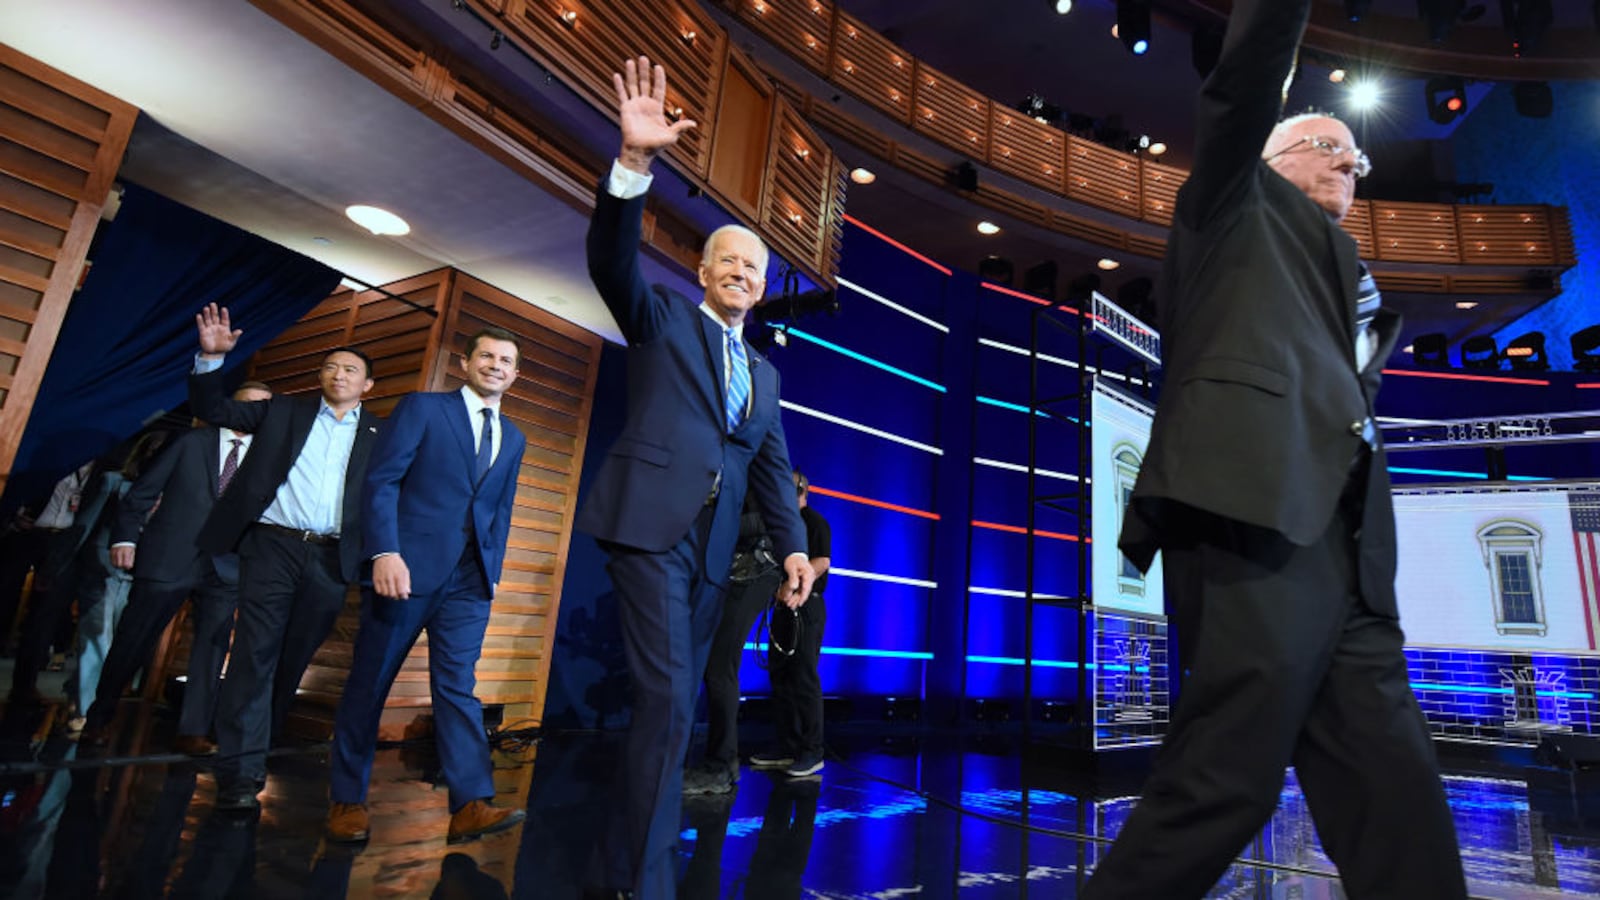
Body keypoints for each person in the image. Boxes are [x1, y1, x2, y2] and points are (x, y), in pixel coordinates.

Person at [1088, 1, 1466, 897]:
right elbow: (1245, 81)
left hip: (1349, 557)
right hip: (1252, 516)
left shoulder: (1358, 284)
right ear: (1274, 156)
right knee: (1227, 778)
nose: (1353, 164)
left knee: (1394, 791)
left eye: (1359, 155)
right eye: (1331, 145)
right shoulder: (1231, 202)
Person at [582, 55, 815, 899]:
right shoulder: (664, 320)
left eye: (755, 269)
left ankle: (618, 871)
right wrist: (634, 164)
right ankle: (645, 882)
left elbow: (771, 465)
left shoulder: (767, 374)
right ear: (704, 270)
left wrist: (792, 549)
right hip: (647, 528)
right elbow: (611, 262)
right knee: (673, 698)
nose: (742, 276)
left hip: (714, 553)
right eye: (729, 262)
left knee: (668, 709)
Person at [325, 327, 528, 845]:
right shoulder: (423, 408)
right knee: (370, 682)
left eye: (506, 360)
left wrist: (494, 572)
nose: (496, 366)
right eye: (487, 356)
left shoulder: (516, 436)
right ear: (466, 362)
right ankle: (346, 801)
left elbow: (498, 511)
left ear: (515, 373)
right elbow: (382, 480)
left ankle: (470, 804)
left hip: (469, 581)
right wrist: (385, 552)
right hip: (406, 570)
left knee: (458, 688)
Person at [188, 303, 382, 810]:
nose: (339, 374)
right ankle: (241, 771)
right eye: (331, 367)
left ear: (368, 386)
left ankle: (260, 745)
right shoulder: (283, 410)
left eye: (351, 370)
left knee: (293, 659)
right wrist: (211, 362)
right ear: (321, 376)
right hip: (273, 545)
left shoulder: (381, 435)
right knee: (254, 653)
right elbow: (217, 412)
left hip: (332, 559)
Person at [79, 383, 273, 755]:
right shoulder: (191, 443)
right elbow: (143, 492)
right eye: (249, 406)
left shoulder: (268, 459)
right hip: (169, 555)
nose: (255, 415)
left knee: (211, 649)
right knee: (134, 639)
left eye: (264, 409)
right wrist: (125, 539)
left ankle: (193, 730)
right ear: (231, 407)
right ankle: (99, 718)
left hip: (227, 566)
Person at [680, 497, 785, 795]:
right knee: (714, 667)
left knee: (719, 667)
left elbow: (774, 517)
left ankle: (720, 766)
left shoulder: (757, 465)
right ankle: (722, 763)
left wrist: (713, 522)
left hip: (754, 573)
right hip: (733, 573)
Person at [749, 469, 830, 779]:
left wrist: (795, 583)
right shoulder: (780, 526)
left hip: (805, 607)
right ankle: (787, 746)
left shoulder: (815, 522)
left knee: (803, 677)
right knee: (780, 675)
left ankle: (812, 750)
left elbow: (822, 561)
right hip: (783, 607)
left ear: (801, 492)